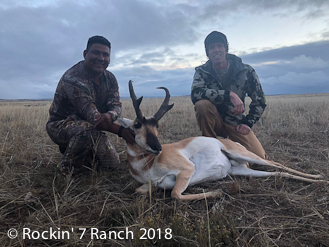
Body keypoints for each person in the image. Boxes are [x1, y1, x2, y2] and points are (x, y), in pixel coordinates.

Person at [46, 35, 135, 176]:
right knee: (86, 131)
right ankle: (66, 169)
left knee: (112, 164)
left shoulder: (110, 78)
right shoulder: (73, 78)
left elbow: (116, 105)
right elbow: (94, 117)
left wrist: (111, 114)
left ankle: (81, 153)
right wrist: (121, 131)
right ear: (85, 54)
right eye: (96, 52)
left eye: (106, 55)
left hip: (91, 126)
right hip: (61, 126)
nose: (101, 58)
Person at [191, 31, 267, 159]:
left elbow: (259, 101)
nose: (216, 50)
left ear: (226, 49)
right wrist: (228, 95)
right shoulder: (201, 71)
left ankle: (227, 147)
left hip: (235, 123)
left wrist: (248, 123)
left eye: (219, 46)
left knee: (259, 158)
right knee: (202, 105)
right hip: (214, 121)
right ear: (207, 53)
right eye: (212, 47)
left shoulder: (246, 70)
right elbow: (196, 94)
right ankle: (211, 149)